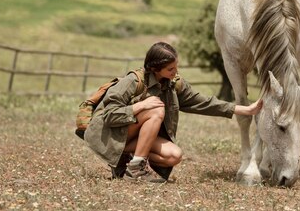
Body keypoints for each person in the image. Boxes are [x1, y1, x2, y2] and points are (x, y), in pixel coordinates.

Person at [84, 42, 262, 182]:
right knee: (155, 109)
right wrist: (140, 106)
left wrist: (246, 109)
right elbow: (109, 116)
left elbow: (204, 103)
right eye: (170, 69)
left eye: (176, 67)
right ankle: (136, 169)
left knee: (174, 156)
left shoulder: (173, 84)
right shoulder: (133, 81)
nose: (175, 72)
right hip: (107, 134)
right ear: (155, 68)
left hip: (128, 139)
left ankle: (126, 160)